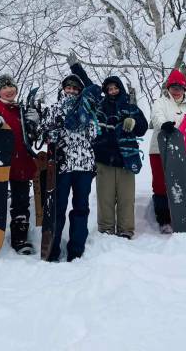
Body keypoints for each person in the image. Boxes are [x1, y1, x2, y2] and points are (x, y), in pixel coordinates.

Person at [68, 55, 148, 239]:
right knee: (105, 198)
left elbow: (143, 128)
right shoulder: (99, 106)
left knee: (126, 199)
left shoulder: (131, 108)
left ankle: (126, 230)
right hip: (103, 158)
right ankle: (105, 230)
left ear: (120, 89)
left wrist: (133, 122)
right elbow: (88, 85)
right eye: (109, 88)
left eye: (115, 88)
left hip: (126, 159)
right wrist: (76, 67)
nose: (112, 91)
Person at [36, 69, 98, 262]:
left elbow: (95, 133)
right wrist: (51, 134)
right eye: (68, 87)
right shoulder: (53, 109)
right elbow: (42, 133)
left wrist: (83, 120)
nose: (71, 91)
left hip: (84, 166)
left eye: (75, 88)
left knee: (81, 208)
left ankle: (76, 251)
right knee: (57, 209)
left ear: (80, 91)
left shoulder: (89, 109)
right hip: (60, 167)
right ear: (63, 90)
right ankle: (52, 249)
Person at [0, 74, 38, 254]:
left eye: (11, 87)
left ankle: (20, 239)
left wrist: (34, 122)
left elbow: (33, 138)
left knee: (21, 203)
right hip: (0, 166)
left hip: (22, 165)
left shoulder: (21, 109)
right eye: (5, 87)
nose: (9, 90)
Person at [148, 69, 186, 233]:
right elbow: (156, 116)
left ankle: (180, 215)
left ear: (184, 89)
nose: (176, 91)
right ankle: (164, 219)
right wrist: (163, 124)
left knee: (179, 183)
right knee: (160, 184)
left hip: (179, 151)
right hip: (159, 149)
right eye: (173, 87)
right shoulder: (160, 102)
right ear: (168, 88)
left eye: (180, 88)